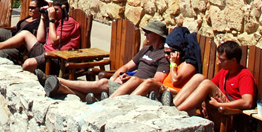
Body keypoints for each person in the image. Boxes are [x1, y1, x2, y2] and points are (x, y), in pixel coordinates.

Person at [40, 19, 169, 100]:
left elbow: (156, 81)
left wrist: (131, 79)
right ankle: (60, 88)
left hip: (136, 89)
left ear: (157, 35)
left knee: (101, 84)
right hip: (123, 83)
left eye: (148, 32)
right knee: (96, 91)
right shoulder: (146, 50)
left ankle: (58, 80)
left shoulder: (163, 56)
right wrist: (115, 77)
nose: (145, 34)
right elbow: (126, 67)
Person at [0, 0, 81, 71]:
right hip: (45, 50)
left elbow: (54, 41)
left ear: (63, 11)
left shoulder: (68, 22)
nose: (53, 12)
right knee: (25, 33)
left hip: (56, 56)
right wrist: (43, 18)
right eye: (53, 9)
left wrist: (51, 20)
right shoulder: (55, 21)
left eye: (56, 10)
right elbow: (40, 38)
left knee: (28, 63)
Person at [173, 39, 256, 116]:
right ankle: (172, 106)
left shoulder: (244, 75)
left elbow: (247, 102)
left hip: (228, 114)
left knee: (206, 83)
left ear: (233, 60)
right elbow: (209, 87)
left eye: (222, 60)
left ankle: (177, 112)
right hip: (217, 108)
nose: (219, 62)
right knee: (199, 77)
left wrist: (220, 105)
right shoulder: (225, 71)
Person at [133, 25, 200, 103]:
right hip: (164, 90)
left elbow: (175, 80)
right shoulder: (175, 63)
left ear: (178, 52)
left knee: (149, 82)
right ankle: (129, 100)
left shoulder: (188, 64)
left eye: (168, 53)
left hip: (175, 95)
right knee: (147, 81)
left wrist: (173, 64)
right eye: (165, 52)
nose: (166, 55)